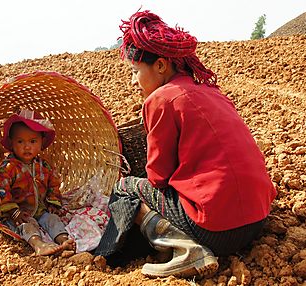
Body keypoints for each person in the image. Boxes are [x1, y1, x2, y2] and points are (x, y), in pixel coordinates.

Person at [95, 10, 277, 278]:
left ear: (160, 65)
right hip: (256, 221)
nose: (133, 81)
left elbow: (157, 177)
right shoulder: (211, 92)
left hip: (216, 229)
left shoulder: (161, 99)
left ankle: (181, 249)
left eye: (135, 71)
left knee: (124, 188)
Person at [0, 109, 76, 256]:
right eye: (20, 141)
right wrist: (13, 211)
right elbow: (2, 190)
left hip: (40, 209)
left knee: (52, 219)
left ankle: (64, 241)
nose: (27, 147)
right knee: (27, 227)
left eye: (33, 141)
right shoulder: (8, 168)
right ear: (12, 144)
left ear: (41, 144)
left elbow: (53, 184)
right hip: (20, 213)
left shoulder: (43, 166)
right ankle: (39, 245)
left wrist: (53, 202)